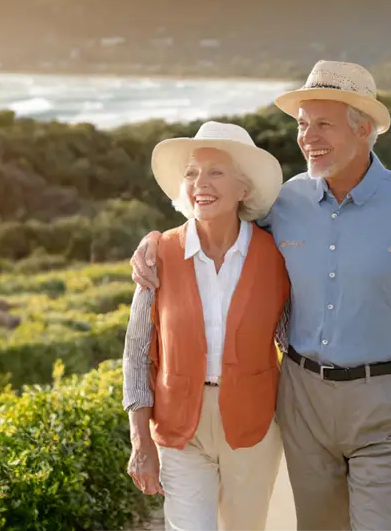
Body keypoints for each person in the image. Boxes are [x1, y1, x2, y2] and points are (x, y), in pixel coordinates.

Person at [129, 60, 391, 531]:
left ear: (364, 129)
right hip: (303, 403)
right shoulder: (283, 203)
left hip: (389, 400)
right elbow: (213, 225)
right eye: (302, 125)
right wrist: (153, 241)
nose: (308, 137)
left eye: (323, 124)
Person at [121, 120, 291, 531]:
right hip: (180, 428)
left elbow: (293, 339)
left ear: (243, 189)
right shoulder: (158, 253)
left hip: (253, 427)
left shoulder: (277, 256)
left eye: (215, 172)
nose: (201, 182)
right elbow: (136, 351)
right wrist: (139, 438)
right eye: (192, 173)